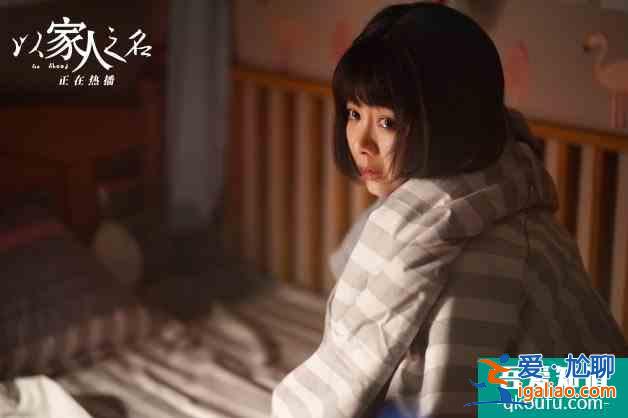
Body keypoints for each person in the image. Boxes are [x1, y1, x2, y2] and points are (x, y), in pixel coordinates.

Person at [271, 3, 627, 418]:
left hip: (594, 398)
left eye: (387, 122)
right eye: (354, 113)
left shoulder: (480, 249)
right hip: (572, 389)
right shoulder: (457, 204)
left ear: (446, 123)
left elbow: (452, 398)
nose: (361, 143)